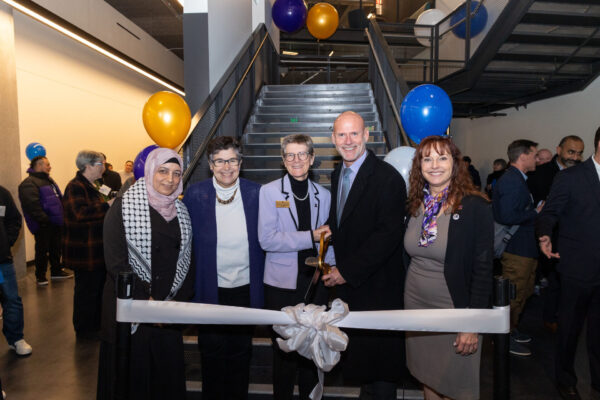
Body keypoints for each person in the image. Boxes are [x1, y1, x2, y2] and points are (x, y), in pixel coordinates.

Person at [97, 147, 193, 400]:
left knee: (165, 380)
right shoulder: (123, 208)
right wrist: (146, 303)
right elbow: (116, 264)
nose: (169, 179)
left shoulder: (181, 212)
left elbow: (186, 262)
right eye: (163, 171)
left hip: (165, 311)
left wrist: (174, 303)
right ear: (150, 171)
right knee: (132, 381)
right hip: (130, 309)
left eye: (176, 173)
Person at [323, 111, 406, 399]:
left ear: (366, 136)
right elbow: (347, 220)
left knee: (382, 366)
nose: (348, 141)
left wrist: (345, 271)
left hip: (379, 285)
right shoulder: (338, 174)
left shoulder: (387, 178)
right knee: (364, 364)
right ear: (333, 139)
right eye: (342, 135)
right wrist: (329, 231)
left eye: (354, 134)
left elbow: (387, 236)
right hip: (355, 288)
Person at [404, 136, 493, 400]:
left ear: (455, 164)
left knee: (459, 384)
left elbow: (483, 269)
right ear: (419, 166)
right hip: (415, 305)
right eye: (427, 158)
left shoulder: (476, 206)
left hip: (455, 307)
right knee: (426, 376)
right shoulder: (414, 205)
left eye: (442, 157)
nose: (434, 165)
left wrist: (471, 324)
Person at [183, 136, 264, 400]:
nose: (226, 166)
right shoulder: (195, 195)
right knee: (211, 354)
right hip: (210, 289)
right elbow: (185, 244)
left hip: (244, 290)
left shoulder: (256, 193)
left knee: (241, 354)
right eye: (219, 161)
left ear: (240, 163)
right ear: (210, 164)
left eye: (231, 160)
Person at [258, 134, 334, 400]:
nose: (296, 160)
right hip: (281, 285)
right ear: (283, 160)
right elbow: (267, 240)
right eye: (290, 155)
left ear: (312, 159)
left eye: (302, 154)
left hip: (314, 283)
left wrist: (331, 268)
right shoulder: (269, 193)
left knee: (312, 352)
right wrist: (309, 236)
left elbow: (328, 240)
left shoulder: (323, 195)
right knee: (284, 354)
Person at [536, 127, 600, 400]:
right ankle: (565, 379)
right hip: (577, 267)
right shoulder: (571, 177)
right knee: (571, 329)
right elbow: (549, 213)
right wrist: (545, 235)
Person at [528, 135, 585, 334]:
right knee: (552, 281)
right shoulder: (540, 173)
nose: (575, 157)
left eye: (579, 153)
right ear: (559, 150)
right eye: (571, 152)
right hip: (546, 236)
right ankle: (549, 319)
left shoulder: (583, 174)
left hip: (573, 238)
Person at [492, 139, 542, 357]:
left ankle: (510, 331)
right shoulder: (512, 180)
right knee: (513, 295)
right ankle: (503, 338)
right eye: (534, 155)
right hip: (516, 250)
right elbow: (506, 215)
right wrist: (535, 213)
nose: (537, 159)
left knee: (522, 292)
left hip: (524, 248)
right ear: (523, 156)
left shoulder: (518, 178)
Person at [62, 150, 112, 338]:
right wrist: (107, 206)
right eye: (101, 164)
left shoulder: (98, 185)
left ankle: (96, 325)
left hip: (98, 248)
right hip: (84, 250)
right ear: (88, 166)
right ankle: (84, 329)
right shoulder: (75, 186)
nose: (104, 168)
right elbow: (79, 214)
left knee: (98, 289)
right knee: (86, 291)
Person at [18, 155, 72, 285]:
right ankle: (40, 276)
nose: (50, 167)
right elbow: (32, 206)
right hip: (43, 224)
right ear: (39, 166)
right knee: (42, 251)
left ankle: (56, 271)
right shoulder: (28, 184)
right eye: (47, 165)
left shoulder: (49, 180)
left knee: (56, 249)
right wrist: (45, 220)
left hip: (55, 222)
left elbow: (58, 199)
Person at [0, 185, 33, 356]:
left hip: (2, 260)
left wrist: (6, 242)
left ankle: (16, 339)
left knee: (12, 300)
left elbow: (14, 220)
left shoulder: (2, 193)